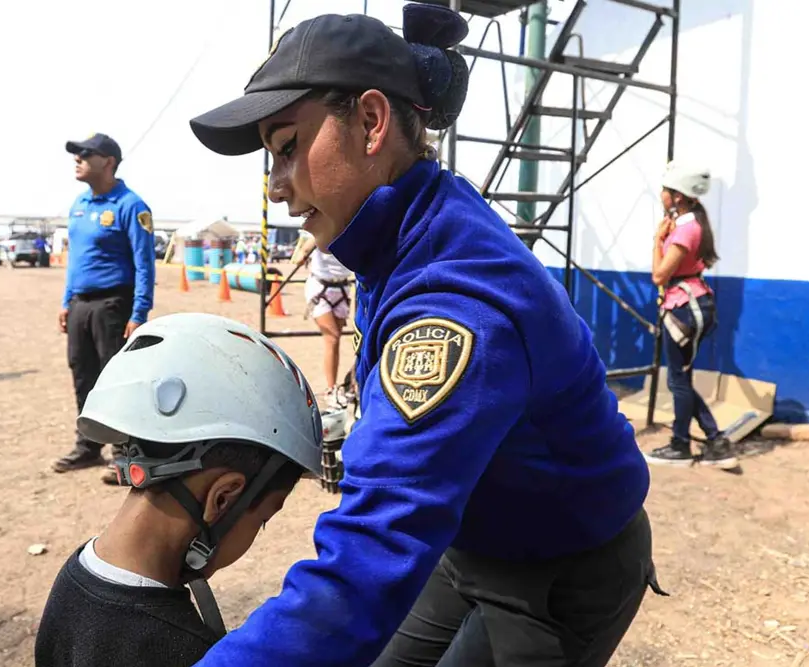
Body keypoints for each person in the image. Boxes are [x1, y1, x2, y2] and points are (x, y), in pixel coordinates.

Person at [186, 5, 663, 666]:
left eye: (288, 146)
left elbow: (368, 559)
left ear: (372, 121)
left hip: (560, 563)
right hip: (469, 538)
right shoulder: (404, 228)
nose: (277, 189)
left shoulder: (455, 303)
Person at [34, 312, 323, 667]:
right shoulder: (178, 649)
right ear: (222, 497)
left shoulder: (73, 580)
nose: (258, 532)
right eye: (264, 518)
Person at [53, 133, 156, 476]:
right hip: (81, 303)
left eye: (86, 154)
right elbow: (76, 260)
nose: (77, 159)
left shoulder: (130, 205)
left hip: (114, 304)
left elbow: (144, 263)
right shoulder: (79, 205)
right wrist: (67, 301)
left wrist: (139, 312)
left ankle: (123, 453)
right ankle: (88, 446)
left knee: (114, 378)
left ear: (108, 162)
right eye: (76, 154)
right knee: (82, 374)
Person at [644, 163, 737, 469]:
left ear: (678, 196)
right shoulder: (690, 224)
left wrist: (658, 241)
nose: (661, 195)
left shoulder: (686, 230)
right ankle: (715, 440)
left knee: (678, 381)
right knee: (679, 379)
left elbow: (659, 275)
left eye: (666, 190)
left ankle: (681, 445)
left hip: (684, 308)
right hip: (690, 303)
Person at [290, 232, 353, 408]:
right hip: (320, 288)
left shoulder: (353, 229)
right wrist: (304, 252)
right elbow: (302, 252)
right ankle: (331, 389)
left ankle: (342, 385)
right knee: (332, 338)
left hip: (342, 287)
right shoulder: (322, 229)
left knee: (337, 340)